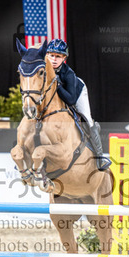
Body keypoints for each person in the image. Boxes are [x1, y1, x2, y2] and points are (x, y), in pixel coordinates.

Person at [45, 39, 111, 171]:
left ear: (64, 58)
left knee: (87, 119)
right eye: (51, 55)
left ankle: (100, 157)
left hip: (76, 93)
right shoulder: (42, 68)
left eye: (58, 56)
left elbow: (71, 100)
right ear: (47, 55)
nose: (54, 59)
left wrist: (57, 84)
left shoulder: (69, 74)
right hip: (56, 96)